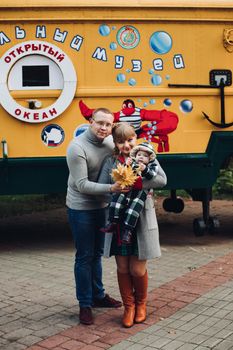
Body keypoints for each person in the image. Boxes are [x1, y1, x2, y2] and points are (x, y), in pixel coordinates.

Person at [98, 122, 167, 328]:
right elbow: (103, 189)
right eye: (121, 142)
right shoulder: (111, 162)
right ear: (115, 144)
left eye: (129, 140)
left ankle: (141, 304)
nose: (126, 145)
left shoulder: (147, 156)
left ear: (135, 139)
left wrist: (137, 182)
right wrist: (115, 188)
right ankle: (128, 307)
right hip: (119, 220)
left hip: (140, 220)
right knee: (122, 267)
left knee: (137, 270)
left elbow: (162, 181)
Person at [66, 107, 125, 326]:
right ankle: (85, 304)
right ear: (91, 121)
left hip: (102, 206)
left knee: (98, 253)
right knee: (84, 256)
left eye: (108, 124)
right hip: (80, 208)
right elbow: (81, 185)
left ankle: (98, 296)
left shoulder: (110, 143)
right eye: (99, 123)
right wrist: (113, 188)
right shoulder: (77, 147)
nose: (103, 128)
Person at [102, 141, 158, 245]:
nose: (141, 157)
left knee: (133, 211)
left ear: (150, 158)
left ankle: (127, 231)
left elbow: (152, 176)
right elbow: (122, 173)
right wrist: (125, 165)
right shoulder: (132, 163)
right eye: (139, 155)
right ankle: (113, 222)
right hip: (127, 189)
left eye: (145, 156)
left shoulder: (152, 165)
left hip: (140, 193)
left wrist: (145, 169)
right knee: (116, 202)